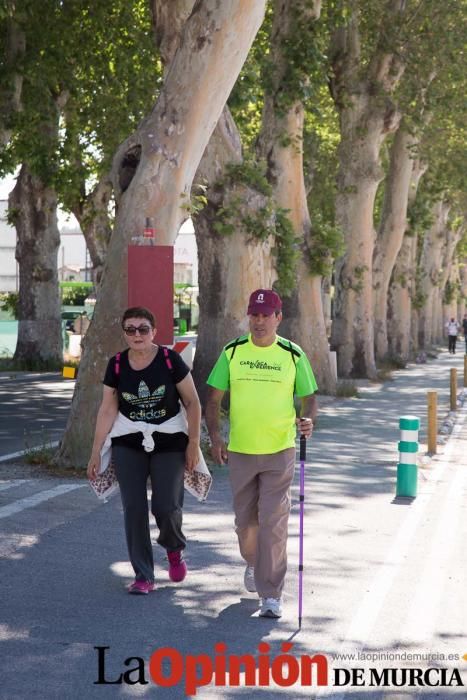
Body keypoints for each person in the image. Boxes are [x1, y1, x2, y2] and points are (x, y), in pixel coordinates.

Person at [205, 289, 318, 619]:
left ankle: (271, 593)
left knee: (273, 520)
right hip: (240, 450)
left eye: (266, 315)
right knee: (246, 524)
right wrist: (215, 437)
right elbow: (213, 401)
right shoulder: (233, 352)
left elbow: (309, 397)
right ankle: (254, 563)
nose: (259, 321)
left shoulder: (293, 354)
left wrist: (308, 419)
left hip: (280, 450)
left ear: (278, 318)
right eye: (254, 315)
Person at [87, 306, 202, 594]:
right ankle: (143, 575)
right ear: (124, 333)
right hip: (129, 441)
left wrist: (194, 444)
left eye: (143, 329)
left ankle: (174, 548)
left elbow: (192, 403)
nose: (137, 334)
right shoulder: (116, 364)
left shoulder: (169, 359)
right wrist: (95, 450)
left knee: (166, 506)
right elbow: (107, 408)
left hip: (169, 440)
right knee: (133, 507)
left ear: (154, 332)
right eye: (130, 329)